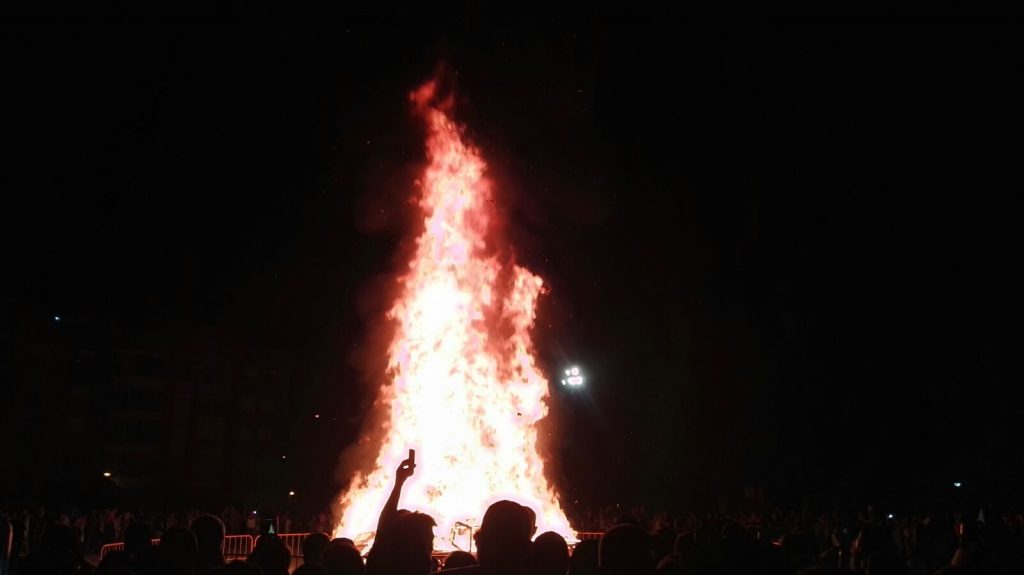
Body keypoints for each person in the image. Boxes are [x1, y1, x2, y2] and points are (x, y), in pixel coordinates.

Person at [365, 453, 436, 575]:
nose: (432, 546)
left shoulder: (379, 565)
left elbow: (384, 525)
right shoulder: (419, 566)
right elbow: (385, 523)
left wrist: (399, 482)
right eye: (430, 540)